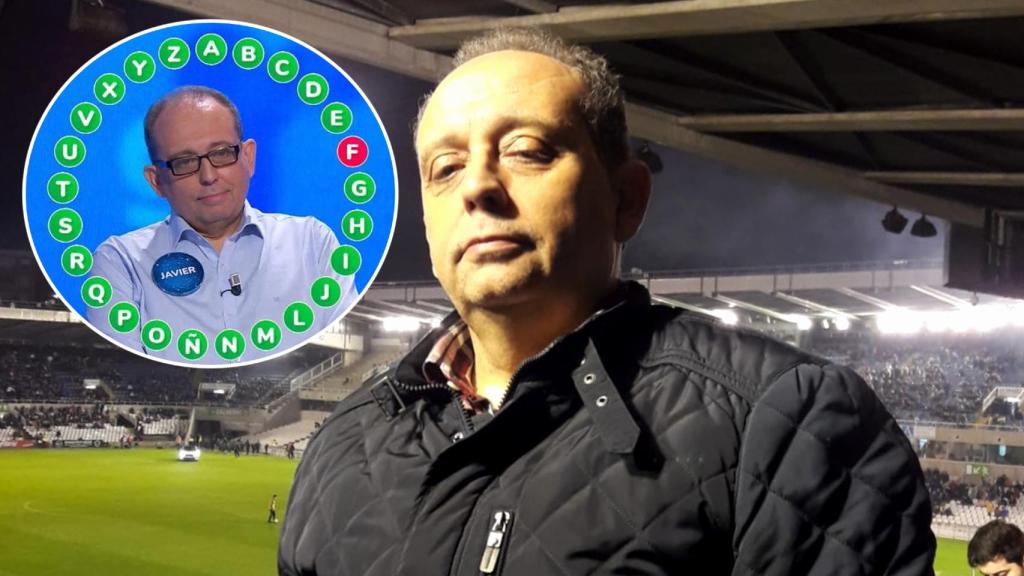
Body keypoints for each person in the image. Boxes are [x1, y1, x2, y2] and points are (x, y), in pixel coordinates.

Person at [278, 28, 935, 575]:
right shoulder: (344, 440)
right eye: (445, 167)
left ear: (627, 199)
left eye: (526, 150)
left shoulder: (788, 425)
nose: (476, 184)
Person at [87, 85, 356, 363]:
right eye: (184, 162)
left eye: (222, 153)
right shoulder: (120, 263)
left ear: (248, 158)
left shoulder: (312, 244)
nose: (209, 175)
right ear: (156, 181)